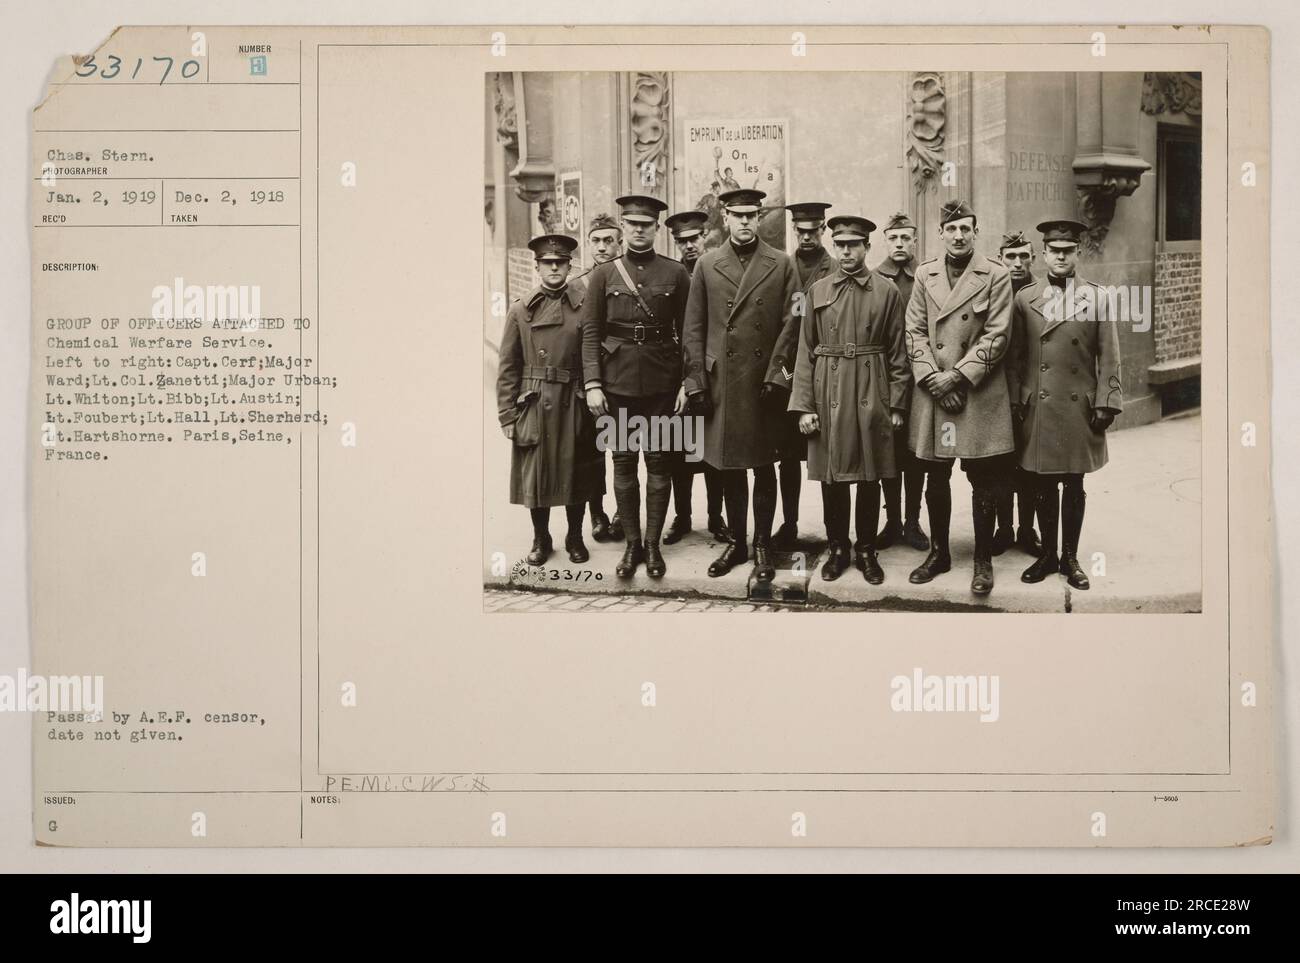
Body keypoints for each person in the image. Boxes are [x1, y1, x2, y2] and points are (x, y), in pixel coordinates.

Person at [682, 188, 801, 582]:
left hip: (763, 383)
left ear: (760, 217)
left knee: (764, 467)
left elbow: (794, 323)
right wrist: (696, 380)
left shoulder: (782, 264)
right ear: (726, 218)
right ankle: (737, 542)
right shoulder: (706, 264)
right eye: (738, 215)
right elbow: (693, 328)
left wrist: (777, 376)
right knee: (729, 468)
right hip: (724, 384)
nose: (746, 222)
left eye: (752, 215)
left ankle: (764, 544)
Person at [789, 215, 910, 584]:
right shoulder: (818, 291)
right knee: (834, 476)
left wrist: (897, 405)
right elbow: (805, 350)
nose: (846, 251)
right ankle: (839, 547)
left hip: (872, 388)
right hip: (829, 390)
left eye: (853, 245)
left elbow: (898, 353)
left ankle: (867, 550)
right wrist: (805, 405)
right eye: (840, 245)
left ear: (867, 248)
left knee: (870, 474)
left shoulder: (886, 291)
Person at [904, 199, 1015, 596]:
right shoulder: (924, 274)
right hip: (935, 391)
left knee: (982, 477)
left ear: (975, 231)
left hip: (976, 391)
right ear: (941, 234)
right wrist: (932, 378)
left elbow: (998, 334)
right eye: (951, 229)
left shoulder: (995, 274)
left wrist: (958, 378)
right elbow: (914, 330)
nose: (958, 235)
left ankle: (982, 560)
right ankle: (939, 553)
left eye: (965, 228)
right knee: (936, 475)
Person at [581, 195, 692, 579]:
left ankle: (652, 544)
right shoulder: (604, 274)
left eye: (646, 224)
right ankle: (631, 544)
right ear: (623, 228)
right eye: (632, 224)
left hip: (663, 385)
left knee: (660, 463)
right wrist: (593, 383)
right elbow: (591, 333)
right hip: (616, 386)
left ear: (656, 229)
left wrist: (686, 383)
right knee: (624, 463)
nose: (639, 230)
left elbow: (690, 334)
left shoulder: (676, 273)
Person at [1009, 218, 1123, 590]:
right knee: (1042, 483)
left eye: (1068, 251)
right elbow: (1016, 357)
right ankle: (1047, 555)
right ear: (1043, 255)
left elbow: (1110, 354)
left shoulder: (1098, 296)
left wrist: (1107, 401)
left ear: (1077, 253)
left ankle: (1070, 558)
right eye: (1054, 251)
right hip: (1038, 406)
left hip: (1079, 406)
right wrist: (1016, 399)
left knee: (1074, 484)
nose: (1060, 256)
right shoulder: (1025, 298)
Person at [496, 234, 604, 565]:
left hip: (574, 398)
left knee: (577, 473)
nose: (554, 267)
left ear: (570, 266)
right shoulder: (520, 310)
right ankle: (541, 538)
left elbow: (593, 354)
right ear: (538, 267)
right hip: (534, 401)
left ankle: (575, 537)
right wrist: (506, 414)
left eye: (560, 263)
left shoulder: (585, 306)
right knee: (537, 475)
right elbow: (508, 365)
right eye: (548, 263)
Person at [662, 209, 729, 545]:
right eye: (682, 241)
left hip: (710, 373)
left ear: (705, 237)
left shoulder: (717, 269)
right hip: (676, 376)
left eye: (694, 239)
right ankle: (683, 516)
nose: (689, 246)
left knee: (712, 450)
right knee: (679, 452)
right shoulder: (672, 275)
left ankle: (717, 517)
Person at [773, 201, 835, 549]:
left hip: (826, 372)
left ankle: (832, 527)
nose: (807, 236)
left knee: (827, 456)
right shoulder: (784, 267)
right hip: (789, 374)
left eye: (814, 230)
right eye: (801, 231)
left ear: (823, 229)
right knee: (787, 458)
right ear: (795, 230)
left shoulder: (835, 266)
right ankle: (790, 522)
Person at [873, 211, 929, 552]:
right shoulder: (875, 278)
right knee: (888, 453)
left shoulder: (925, 275)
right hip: (883, 379)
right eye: (893, 238)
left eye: (905, 237)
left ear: (914, 240)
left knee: (916, 455)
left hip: (919, 380)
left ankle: (912, 521)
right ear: (885, 241)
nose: (899, 243)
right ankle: (891, 519)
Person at [995, 230, 1042, 557]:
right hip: (997, 393)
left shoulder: (1042, 291)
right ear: (1000, 258)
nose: (1017, 263)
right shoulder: (994, 289)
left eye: (1024, 256)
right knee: (999, 465)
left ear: (1033, 258)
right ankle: (1004, 528)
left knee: (1029, 466)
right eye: (1010, 256)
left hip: (1032, 392)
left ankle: (1027, 530)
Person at [583, 212, 626, 544]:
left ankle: (621, 513)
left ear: (619, 242)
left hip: (618, 375)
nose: (602, 247)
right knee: (589, 450)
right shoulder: (577, 284)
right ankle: (596, 512)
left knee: (622, 448)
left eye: (608, 240)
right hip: (584, 379)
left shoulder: (625, 277)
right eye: (596, 240)